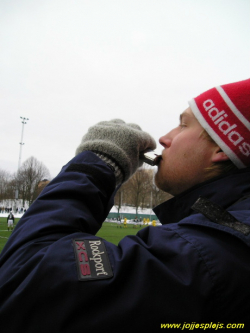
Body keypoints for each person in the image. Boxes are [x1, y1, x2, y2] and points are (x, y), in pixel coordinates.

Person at [0, 78, 250, 332]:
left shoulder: (214, 252)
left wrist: (98, 163)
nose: (164, 138)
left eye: (183, 125)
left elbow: (24, 283)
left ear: (222, 146)